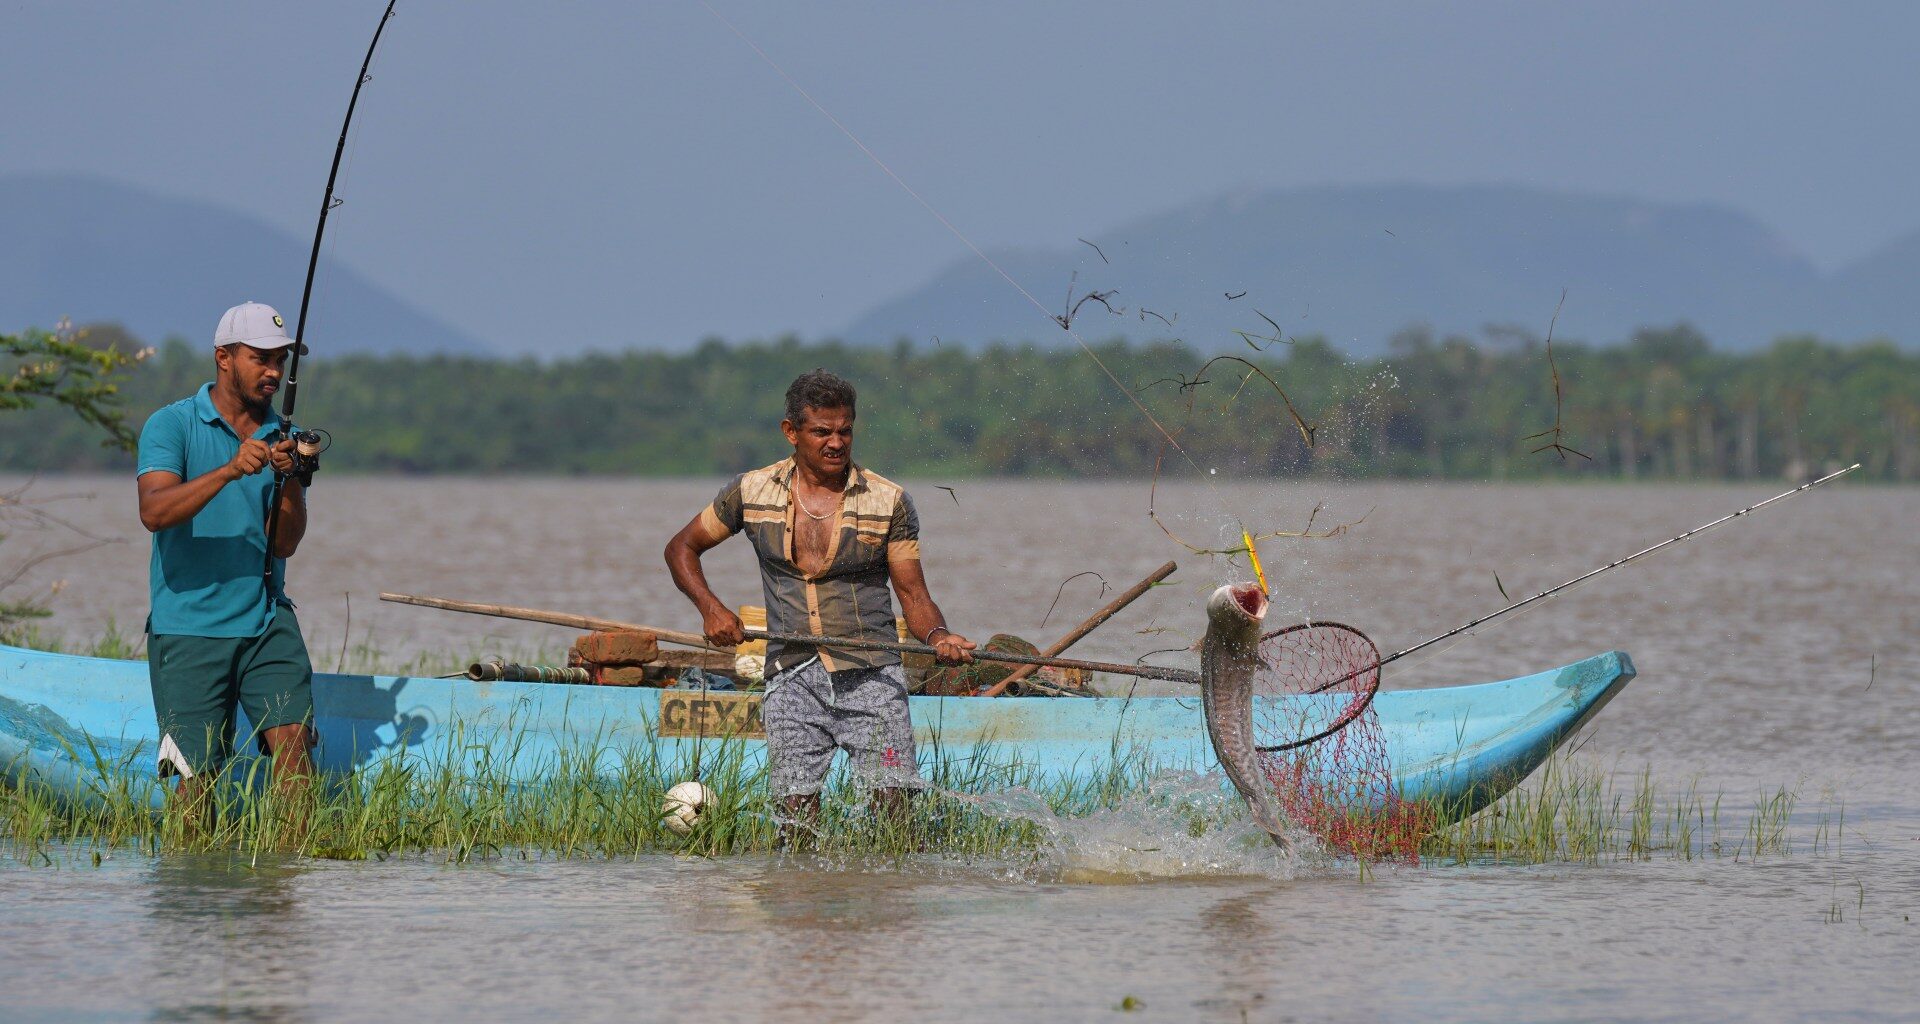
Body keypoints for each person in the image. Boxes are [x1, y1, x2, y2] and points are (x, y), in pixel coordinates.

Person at [665, 369, 975, 835]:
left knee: (896, 819)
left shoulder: (888, 502)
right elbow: (680, 549)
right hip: (790, 677)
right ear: (791, 432)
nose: (836, 443)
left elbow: (913, 595)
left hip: (870, 675)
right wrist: (711, 608)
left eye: (845, 430)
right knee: (794, 825)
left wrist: (938, 635)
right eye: (822, 432)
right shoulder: (751, 492)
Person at [135, 301, 317, 825]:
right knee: (192, 789)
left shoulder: (285, 432)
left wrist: (292, 481)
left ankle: (287, 881)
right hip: (189, 625)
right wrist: (231, 469)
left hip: (266, 616)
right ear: (223, 356)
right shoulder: (170, 425)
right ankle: (194, 889)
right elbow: (154, 511)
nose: (274, 372)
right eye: (261, 358)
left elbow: (283, 545)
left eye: (280, 361)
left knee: (293, 747)